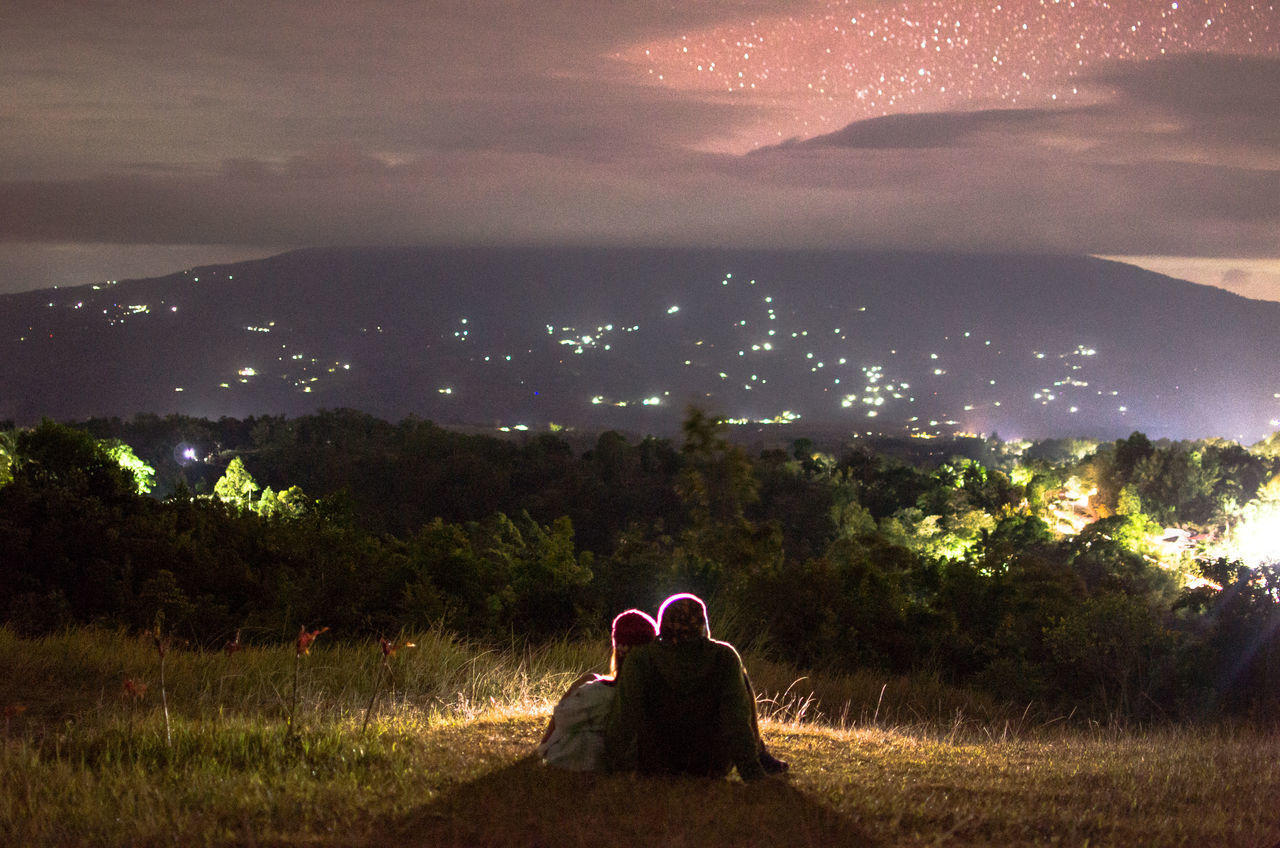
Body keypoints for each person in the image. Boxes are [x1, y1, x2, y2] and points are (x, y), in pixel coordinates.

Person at [603, 592, 782, 781]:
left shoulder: (641, 658)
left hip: (655, 764)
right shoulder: (724, 657)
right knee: (742, 680)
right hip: (711, 765)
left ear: (662, 625)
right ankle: (762, 755)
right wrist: (753, 774)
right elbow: (737, 721)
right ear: (703, 626)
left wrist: (617, 770)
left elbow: (624, 720)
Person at [537, 608, 658, 771]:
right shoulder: (654, 693)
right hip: (630, 759)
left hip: (584, 758)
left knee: (588, 679)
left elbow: (563, 718)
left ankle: (544, 747)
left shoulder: (598, 693)